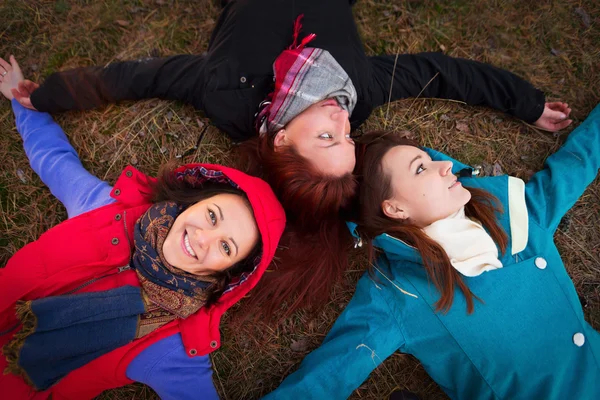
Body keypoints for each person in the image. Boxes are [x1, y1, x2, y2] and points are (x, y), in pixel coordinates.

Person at [8, 0, 572, 318]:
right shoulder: (360, 89)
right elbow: (446, 72)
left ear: (280, 141)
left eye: (328, 139)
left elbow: (138, 76)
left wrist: (49, 94)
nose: (345, 129)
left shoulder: (224, 91)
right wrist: (526, 103)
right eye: (348, 145)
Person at [264, 106, 600, 399]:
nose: (446, 167)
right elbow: (327, 379)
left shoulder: (516, 212)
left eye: (430, 159)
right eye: (421, 168)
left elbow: (579, 160)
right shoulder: (399, 294)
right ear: (394, 208)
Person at [0, 56, 286, 399]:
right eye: (212, 215)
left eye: (227, 247)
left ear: (229, 272)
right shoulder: (107, 208)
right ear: (194, 200)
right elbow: (54, 162)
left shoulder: (175, 345)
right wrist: (23, 103)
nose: (203, 237)